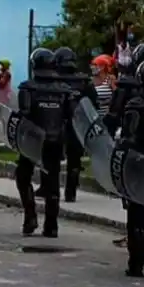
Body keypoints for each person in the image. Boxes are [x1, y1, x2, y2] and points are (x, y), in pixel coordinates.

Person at [16, 48, 72, 237]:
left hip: (32, 141)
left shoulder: (27, 88)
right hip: (55, 141)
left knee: (23, 177)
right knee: (52, 181)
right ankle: (52, 225)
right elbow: (71, 118)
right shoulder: (64, 90)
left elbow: (23, 116)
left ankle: (30, 216)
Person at [53, 47, 97, 203]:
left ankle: (51, 190)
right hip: (78, 125)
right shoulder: (84, 81)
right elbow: (94, 104)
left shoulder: (54, 80)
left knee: (52, 158)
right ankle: (70, 193)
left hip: (56, 124)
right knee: (74, 160)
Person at [119, 61, 144, 277]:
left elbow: (128, 137)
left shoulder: (135, 105)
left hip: (139, 163)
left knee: (136, 211)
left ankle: (136, 261)